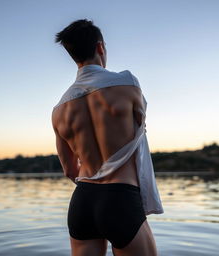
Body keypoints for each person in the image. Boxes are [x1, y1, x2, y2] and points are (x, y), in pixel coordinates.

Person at [52, 19, 163, 256]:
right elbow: (140, 122)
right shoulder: (127, 83)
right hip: (121, 198)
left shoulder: (59, 110)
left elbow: (70, 171)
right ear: (100, 47)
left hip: (83, 202)